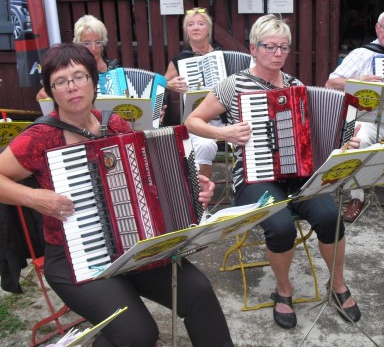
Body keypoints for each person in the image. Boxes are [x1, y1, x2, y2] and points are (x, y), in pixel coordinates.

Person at [0, 43, 234, 347]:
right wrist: (35, 198)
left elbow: (147, 180)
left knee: (198, 292)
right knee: (137, 334)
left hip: (130, 245)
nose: (71, 86)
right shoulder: (41, 137)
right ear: (51, 91)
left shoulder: (113, 124)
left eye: (79, 76)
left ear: (93, 81)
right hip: (73, 257)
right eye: (60, 81)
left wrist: (191, 186)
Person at [185, 14, 362, 329]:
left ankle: (337, 285)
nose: (278, 53)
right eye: (270, 46)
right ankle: (283, 289)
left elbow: (316, 134)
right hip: (255, 178)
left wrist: (343, 140)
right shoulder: (234, 84)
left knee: (330, 216)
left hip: (299, 175)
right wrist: (225, 133)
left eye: (284, 47)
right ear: (254, 48)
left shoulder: (296, 86)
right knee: (281, 227)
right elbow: (192, 121)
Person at [326, 9, 384, 222]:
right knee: (357, 144)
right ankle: (357, 197)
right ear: (377, 28)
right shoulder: (362, 54)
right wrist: (359, 80)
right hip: (368, 119)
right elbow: (330, 83)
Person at [164, 7, 224, 179]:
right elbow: (159, 87)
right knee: (204, 144)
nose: (196, 27)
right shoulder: (180, 60)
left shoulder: (222, 56)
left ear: (209, 30)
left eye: (200, 23)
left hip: (225, 117)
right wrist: (169, 85)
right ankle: (203, 191)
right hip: (197, 119)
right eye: (191, 24)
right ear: (186, 31)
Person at [36, 14, 118, 101]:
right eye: (87, 43)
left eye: (98, 42)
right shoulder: (67, 67)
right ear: (78, 44)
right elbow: (42, 95)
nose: (93, 48)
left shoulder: (113, 68)